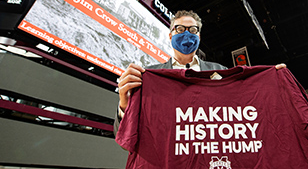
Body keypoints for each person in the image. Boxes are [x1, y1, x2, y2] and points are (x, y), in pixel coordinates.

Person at [115, 10, 286, 135]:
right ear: (170, 35)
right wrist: (125, 105)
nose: (187, 34)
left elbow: (243, 110)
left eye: (193, 30)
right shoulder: (148, 76)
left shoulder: (221, 71)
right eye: (180, 29)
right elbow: (122, 137)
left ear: (200, 37)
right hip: (169, 166)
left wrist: (269, 81)